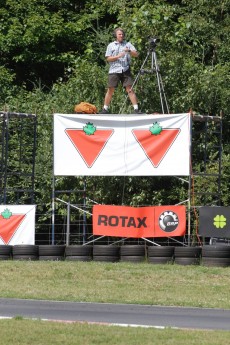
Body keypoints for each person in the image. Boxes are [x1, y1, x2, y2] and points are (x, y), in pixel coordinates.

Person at [100, 28, 141, 114]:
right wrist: (118, 56)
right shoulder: (111, 45)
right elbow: (108, 58)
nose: (121, 36)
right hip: (114, 70)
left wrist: (129, 51)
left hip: (125, 69)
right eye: (119, 34)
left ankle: (136, 109)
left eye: (122, 34)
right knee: (110, 89)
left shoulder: (128, 44)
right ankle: (105, 109)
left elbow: (136, 54)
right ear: (115, 35)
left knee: (129, 88)